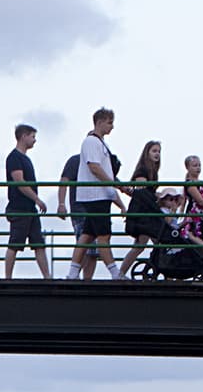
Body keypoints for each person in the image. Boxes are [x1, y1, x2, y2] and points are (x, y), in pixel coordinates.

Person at [71, 108, 125, 281]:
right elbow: (94, 167)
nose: (112, 126)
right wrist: (113, 183)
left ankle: (73, 272)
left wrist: (118, 191)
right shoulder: (91, 142)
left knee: (87, 235)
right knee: (103, 235)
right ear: (100, 122)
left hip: (98, 194)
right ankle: (115, 272)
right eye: (109, 122)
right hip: (95, 195)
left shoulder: (99, 143)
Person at [2, 124, 50, 279]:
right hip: (20, 208)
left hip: (29, 208)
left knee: (39, 243)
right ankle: (7, 278)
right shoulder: (14, 157)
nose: (34, 140)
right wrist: (37, 199)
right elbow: (19, 182)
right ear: (24, 136)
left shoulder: (23, 158)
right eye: (33, 136)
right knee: (15, 243)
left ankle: (47, 276)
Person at [117, 140, 168, 277]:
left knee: (146, 243)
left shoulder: (152, 172)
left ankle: (122, 272)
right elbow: (142, 192)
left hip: (147, 211)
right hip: (143, 212)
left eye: (158, 151)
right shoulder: (143, 170)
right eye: (154, 151)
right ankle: (121, 273)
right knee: (144, 243)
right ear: (147, 153)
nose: (157, 154)